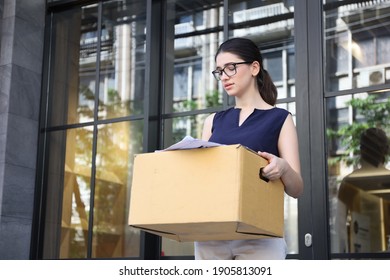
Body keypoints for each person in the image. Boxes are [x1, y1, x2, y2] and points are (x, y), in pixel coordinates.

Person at [194, 37, 304, 260]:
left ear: (254, 67)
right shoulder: (212, 121)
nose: (224, 76)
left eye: (231, 68)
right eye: (219, 71)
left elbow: (297, 189)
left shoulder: (281, 119)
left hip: (260, 236)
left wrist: (282, 168)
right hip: (212, 233)